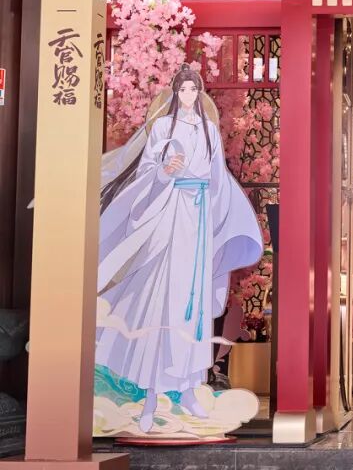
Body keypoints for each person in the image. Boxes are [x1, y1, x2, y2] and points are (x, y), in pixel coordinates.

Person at [96, 65, 263, 433]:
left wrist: (218, 220)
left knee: (194, 302)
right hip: (169, 212)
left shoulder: (208, 131)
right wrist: (164, 172)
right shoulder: (161, 128)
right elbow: (147, 171)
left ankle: (188, 389)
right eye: (183, 89)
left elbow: (217, 179)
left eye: (193, 90)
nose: (188, 95)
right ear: (174, 93)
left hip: (199, 216)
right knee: (162, 297)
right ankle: (151, 395)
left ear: (199, 93)